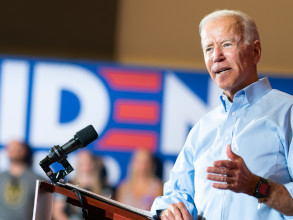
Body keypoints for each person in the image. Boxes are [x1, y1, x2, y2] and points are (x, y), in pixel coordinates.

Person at [151, 9, 293, 220]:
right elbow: (175, 195)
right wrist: (167, 211)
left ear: (255, 52)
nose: (216, 56)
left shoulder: (287, 112)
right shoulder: (203, 127)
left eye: (227, 44)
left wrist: (257, 186)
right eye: (208, 48)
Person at [52, 150, 112, 220]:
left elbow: (107, 212)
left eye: (88, 163)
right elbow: (57, 211)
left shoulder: (104, 188)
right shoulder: (67, 186)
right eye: (81, 163)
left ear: (93, 164)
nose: (85, 167)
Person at [0, 140, 40, 220]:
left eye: (18, 149)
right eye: (12, 149)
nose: (15, 151)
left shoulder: (38, 180)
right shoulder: (1, 177)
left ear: (25, 151)